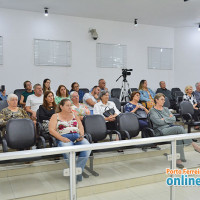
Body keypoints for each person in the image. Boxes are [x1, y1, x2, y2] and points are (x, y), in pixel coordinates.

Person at [149, 93, 200, 168]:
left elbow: (173, 119)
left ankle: (178, 160)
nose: (163, 101)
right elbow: (158, 122)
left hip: (169, 128)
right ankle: (195, 146)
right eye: (162, 99)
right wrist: (168, 118)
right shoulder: (152, 111)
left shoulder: (166, 109)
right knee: (179, 128)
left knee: (178, 135)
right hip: (160, 130)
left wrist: (164, 119)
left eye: (164, 99)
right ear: (156, 100)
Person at [49, 99, 91, 182]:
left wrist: (82, 135)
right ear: (61, 107)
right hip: (64, 138)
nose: (70, 107)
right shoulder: (55, 116)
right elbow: (51, 130)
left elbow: (80, 127)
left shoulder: (75, 115)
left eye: (70, 105)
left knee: (87, 148)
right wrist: (62, 139)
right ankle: (77, 173)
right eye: (67, 105)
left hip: (77, 137)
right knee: (68, 151)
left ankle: (76, 171)